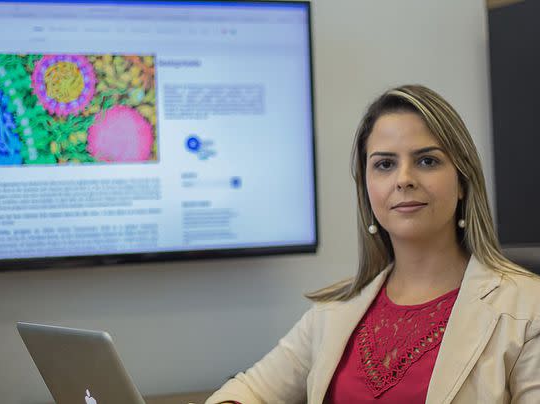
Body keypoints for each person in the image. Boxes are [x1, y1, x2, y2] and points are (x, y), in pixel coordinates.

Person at [204, 85, 540, 404]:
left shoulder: (528, 310)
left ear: (463, 180)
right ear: (366, 186)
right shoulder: (334, 311)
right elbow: (250, 390)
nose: (404, 179)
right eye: (384, 164)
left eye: (427, 161)